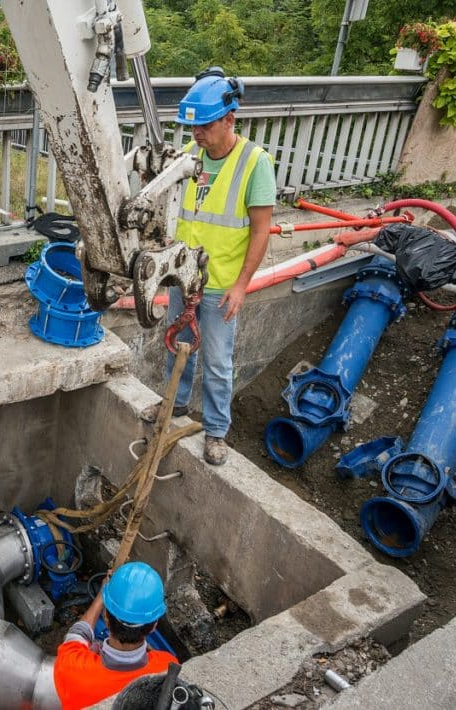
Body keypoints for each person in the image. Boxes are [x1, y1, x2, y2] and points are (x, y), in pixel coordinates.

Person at [142, 67, 275, 466]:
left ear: (229, 119)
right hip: (184, 277)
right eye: (192, 126)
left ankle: (217, 431)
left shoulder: (255, 163)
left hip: (220, 286)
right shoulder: (188, 157)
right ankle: (174, 408)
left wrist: (241, 286)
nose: (196, 133)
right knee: (178, 349)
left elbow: (261, 232)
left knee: (218, 362)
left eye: (204, 125)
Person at [53, 562, 178, 709]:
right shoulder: (167, 667)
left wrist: (102, 594)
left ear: (105, 616)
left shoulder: (70, 666)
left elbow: (77, 633)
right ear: (154, 626)